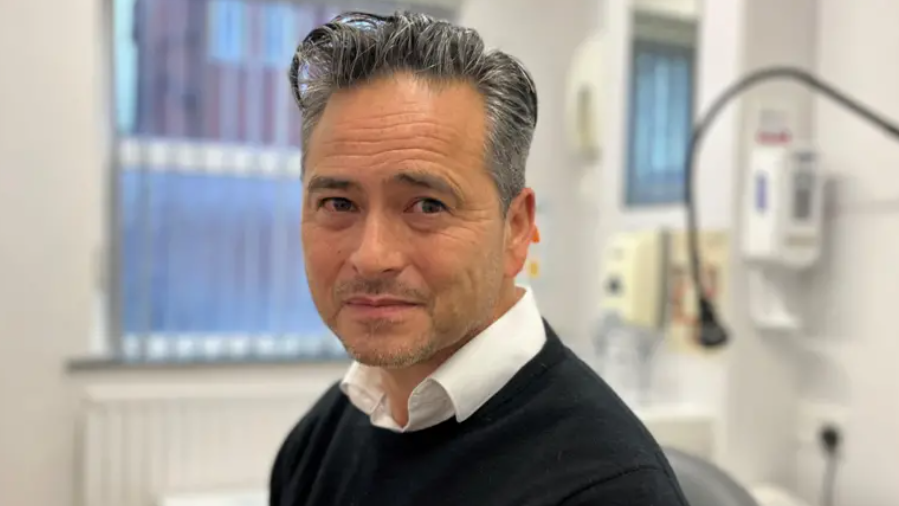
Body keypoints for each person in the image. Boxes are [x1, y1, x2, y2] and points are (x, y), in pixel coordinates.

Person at [269, 11, 687, 506]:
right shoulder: (319, 443)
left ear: (516, 229)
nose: (372, 256)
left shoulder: (609, 490)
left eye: (427, 205)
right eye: (339, 204)